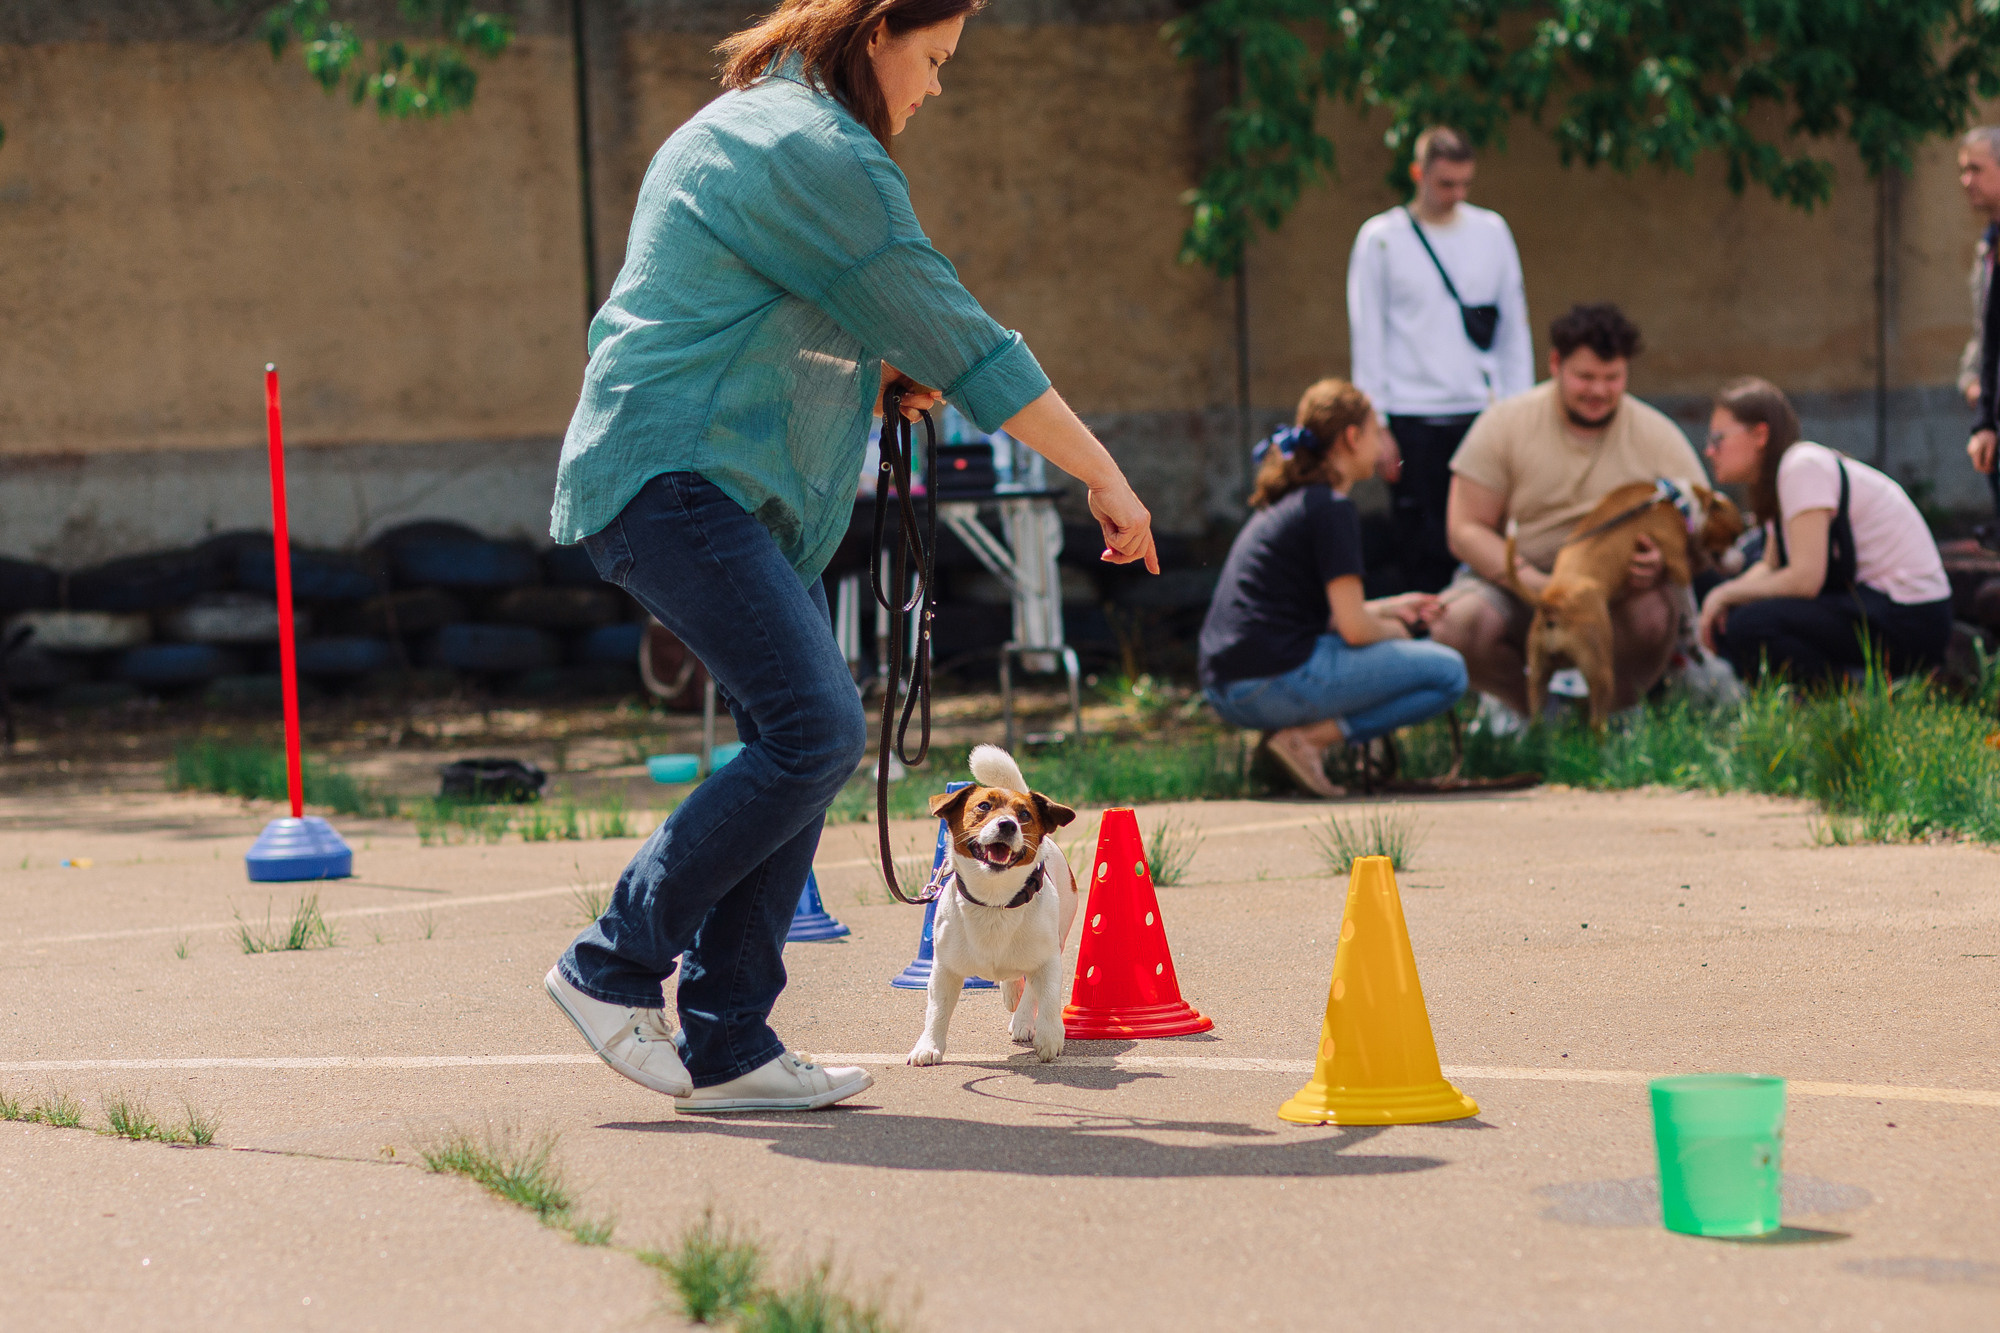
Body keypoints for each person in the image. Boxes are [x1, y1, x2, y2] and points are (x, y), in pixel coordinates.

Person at [542, 0, 1159, 1114]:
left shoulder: (744, 124)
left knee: (799, 739)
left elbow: (737, 319)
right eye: (931, 60)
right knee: (816, 726)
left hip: (671, 470)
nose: (933, 88)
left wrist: (874, 378)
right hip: (674, 477)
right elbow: (962, 334)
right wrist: (1102, 472)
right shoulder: (820, 151)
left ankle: (729, 1044)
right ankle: (611, 965)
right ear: (875, 33)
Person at [1432, 303, 1707, 721]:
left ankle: (1609, 716)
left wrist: (1663, 562)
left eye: (1612, 378)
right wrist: (1533, 582)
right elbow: (1464, 528)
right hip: (1520, 585)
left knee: (1654, 613)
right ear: (1556, 363)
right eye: (1585, 377)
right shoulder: (1504, 424)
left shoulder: (1657, 435)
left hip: (1613, 595)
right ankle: (1526, 712)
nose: (1599, 391)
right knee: (1457, 623)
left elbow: (1701, 524)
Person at [1200, 380, 1467, 798]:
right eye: (1378, 432)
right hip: (1268, 683)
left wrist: (1392, 607)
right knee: (1448, 673)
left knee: (1425, 663)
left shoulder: (1294, 500)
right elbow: (1354, 629)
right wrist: (1402, 630)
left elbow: (1314, 611)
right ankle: (1308, 741)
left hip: (1229, 685)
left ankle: (1297, 742)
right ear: (1351, 437)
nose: (1382, 445)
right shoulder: (1332, 509)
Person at [1347, 126, 1534, 592]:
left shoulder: (1490, 231)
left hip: (1481, 412)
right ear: (1418, 174)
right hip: (1412, 417)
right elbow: (1367, 332)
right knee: (1421, 547)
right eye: (1445, 183)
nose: (1456, 194)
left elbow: (1514, 327)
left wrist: (1521, 412)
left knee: (1487, 541)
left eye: (1465, 184)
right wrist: (1379, 423)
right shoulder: (1381, 237)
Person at [1697, 378, 1952, 684]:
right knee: (1734, 620)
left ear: (1760, 434)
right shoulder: (1780, 480)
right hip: (1879, 608)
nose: (1709, 451)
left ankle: (1854, 694)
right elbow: (1770, 565)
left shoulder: (1801, 466)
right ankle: (1844, 688)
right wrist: (1722, 602)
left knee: (1751, 626)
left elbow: (1806, 579)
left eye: (1718, 438)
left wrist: (1724, 593)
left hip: (1912, 618)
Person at [1956, 126, 2000, 533]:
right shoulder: (1988, 246)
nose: (1966, 180)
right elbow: (1987, 330)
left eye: (1976, 169)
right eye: (1962, 170)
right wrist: (1980, 394)